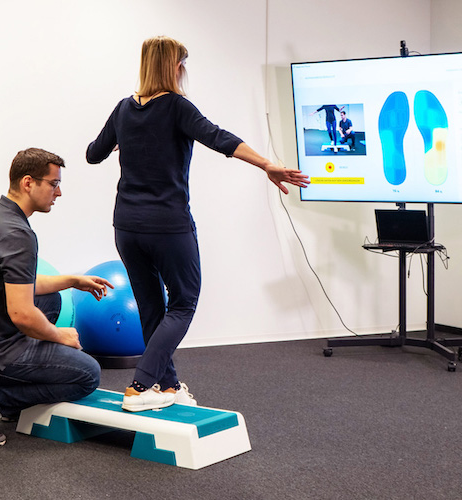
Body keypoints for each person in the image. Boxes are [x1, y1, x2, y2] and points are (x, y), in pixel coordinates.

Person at [86, 35, 310, 413]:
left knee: (152, 308)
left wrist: (127, 141)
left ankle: (168, 386)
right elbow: (218, 138)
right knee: (184, 303)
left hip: (126, 225)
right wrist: (267, 164)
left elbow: (93, 154)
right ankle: (140, 387)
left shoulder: (123, 109)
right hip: (168, 224)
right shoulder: (176, 106)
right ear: (175, 67)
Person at [0, 148, 114, 449]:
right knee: (87, 374)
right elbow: (22, 315)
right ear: (29, 183)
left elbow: (20, 284)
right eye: (53, 184)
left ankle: (7, 389)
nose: (59, 192)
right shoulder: (16, 233)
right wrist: (60, 336)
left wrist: (71, 280)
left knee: (52, 301)